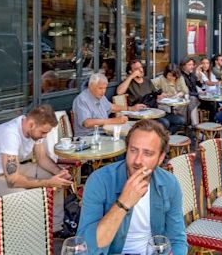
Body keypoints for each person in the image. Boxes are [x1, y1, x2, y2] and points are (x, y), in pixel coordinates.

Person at [77, 119, 188, 255]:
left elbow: (177, 240)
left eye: (147, 153)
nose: (137, 161)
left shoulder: (169, 183)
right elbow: (87, 247)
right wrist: (123, 203)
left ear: (160, 158)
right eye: (133, 150)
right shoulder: (100, 181)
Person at [0, 104, 72, 233]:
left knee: (56, 178)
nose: (45, 136)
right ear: (31, 124)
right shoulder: (10, 134)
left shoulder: (34, 130)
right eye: (43, 132)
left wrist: (59, 173)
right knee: (22, 193)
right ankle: (29, 236)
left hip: (9, 171)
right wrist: (48, 183)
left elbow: (42, 158)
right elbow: (13, 180)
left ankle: (55, 228)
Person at [116, 59, 185, 134]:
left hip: (154, 111)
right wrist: (131, 76)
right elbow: (119, 92)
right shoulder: (129, 82)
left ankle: (165, 137)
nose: (140, 70)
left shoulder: (147, 80)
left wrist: (162, 96)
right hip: (140, 115)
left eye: (141, 67)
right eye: (136, 69)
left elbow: (155, 94)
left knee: (181, 120)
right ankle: (161, 139)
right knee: (165, 123)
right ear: (130, 71)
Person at [73, 73, 144, 137]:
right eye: (100, 88)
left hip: (104, 133)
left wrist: (130, 108)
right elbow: (87, 123)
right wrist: (114, 120)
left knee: (133, 135)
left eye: (105, 88)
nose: (103, 91)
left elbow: (111, 107)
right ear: (91, 86)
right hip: (89, 137)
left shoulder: (100, 96)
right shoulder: (82, 99)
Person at [180, 57, 201, 128]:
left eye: (192, 65)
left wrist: (199, 76)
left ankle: (208, 127)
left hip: (196, 98)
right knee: (192, 100)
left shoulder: (192, 75)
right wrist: (199, 94)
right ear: (183, 66)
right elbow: (186, 92)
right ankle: (196, 126)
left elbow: (200, 84)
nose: (192, 66)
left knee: (211, 105)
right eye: (189, 65)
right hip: (188, 98)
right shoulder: (181, 76)